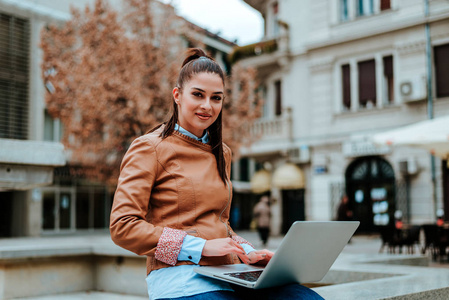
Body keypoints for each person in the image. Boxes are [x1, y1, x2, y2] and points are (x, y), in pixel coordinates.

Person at [110, 48, 323, 300]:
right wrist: (199, 248)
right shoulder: (149, 147)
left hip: (230, 271)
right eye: (198, 95)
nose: (207, 106)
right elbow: (123, 227)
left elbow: (220, 224)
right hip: (180, 277)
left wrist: (247, 250)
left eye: (216, 98)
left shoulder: (222, 153)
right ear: (177, 95)